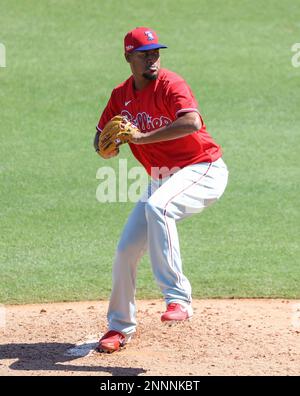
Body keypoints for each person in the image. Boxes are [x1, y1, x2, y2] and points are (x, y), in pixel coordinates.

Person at [94, 27, 229, 353]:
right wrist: (106, 147)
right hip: (163, 179)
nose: (152, 59)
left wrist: (139, 138)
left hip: (203, 168)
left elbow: (192, 122)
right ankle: (119, 326)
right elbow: (99, 140)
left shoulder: (171, 84)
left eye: (155, 53)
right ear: (128, 57)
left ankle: (178, 299)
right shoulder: (120, 96)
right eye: (144, 54)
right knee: (126, 249)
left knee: (159, 207)